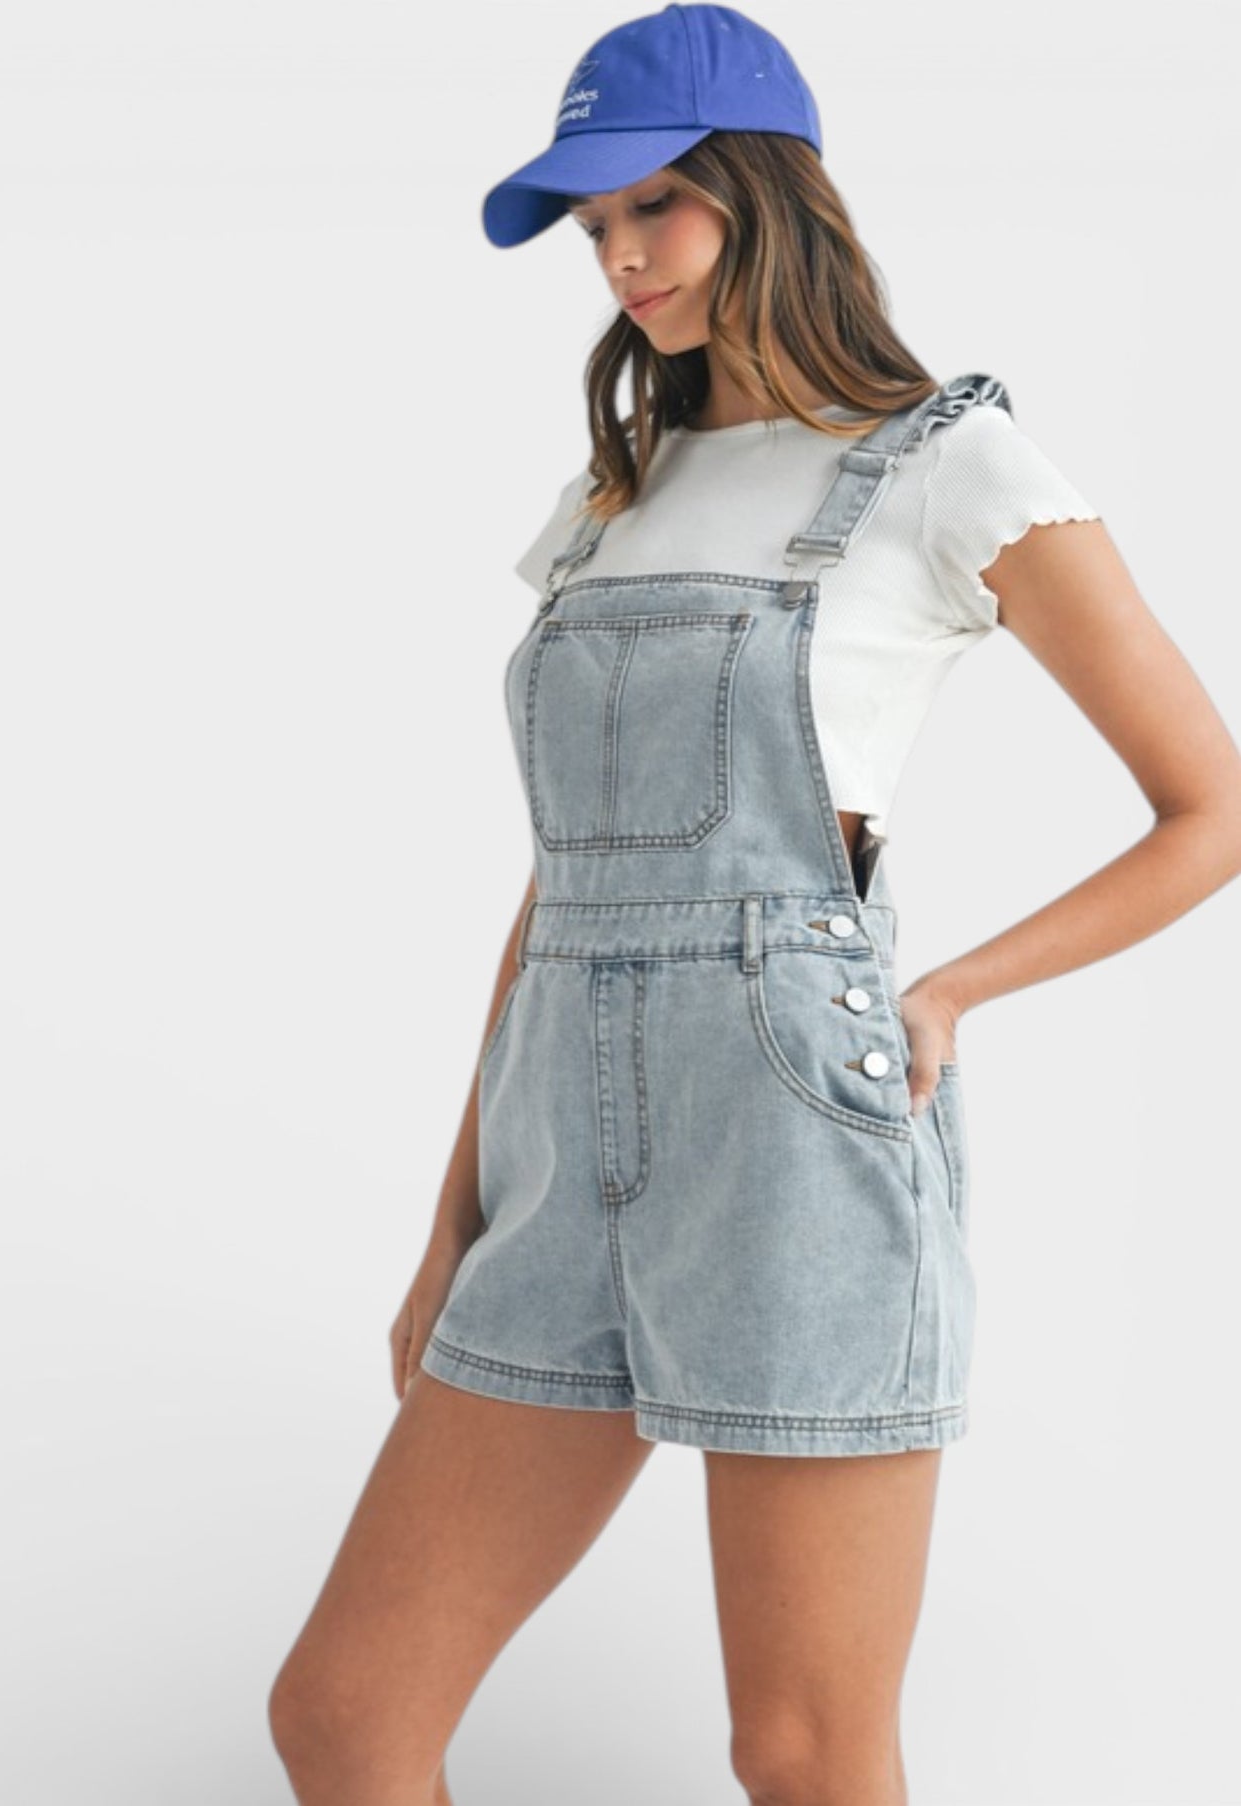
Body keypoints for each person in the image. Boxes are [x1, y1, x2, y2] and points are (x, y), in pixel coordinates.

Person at [268, 8, 1241, 1802]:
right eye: (593, 229)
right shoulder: (612, 489)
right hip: (557, 1126)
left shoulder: (949, 462)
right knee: (344, 1717)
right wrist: (453, 1217)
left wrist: (945, 990)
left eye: (658, 207)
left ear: (770, 196)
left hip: (797, 1113)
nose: (624, 260)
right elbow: (564, 875)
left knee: (800, 1750)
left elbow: (1210, 807)